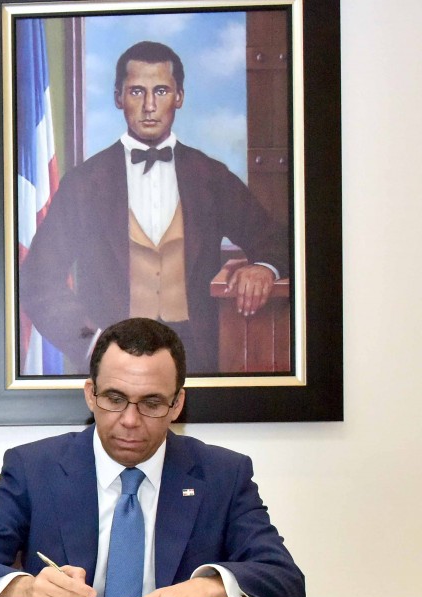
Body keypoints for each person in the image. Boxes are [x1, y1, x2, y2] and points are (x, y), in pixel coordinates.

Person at [0, 317, 304, 597]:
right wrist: (25, 592)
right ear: (91, 394)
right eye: (115, 399)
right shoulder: (35, 468)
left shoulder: (222, 474)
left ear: (177, 404)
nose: (130, 421)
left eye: (152, 403)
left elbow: (285, 577)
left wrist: (208, 588)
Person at [19, 41, 288, 375]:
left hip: (197, 352)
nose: (149, 105)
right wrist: (91, 342)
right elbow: (37, 280)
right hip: (114, 355)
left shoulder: (210, 175)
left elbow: (277, 239)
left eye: (160, 91)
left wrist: (263, 267)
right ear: (118, 98)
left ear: (179, 97)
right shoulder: (84, 183)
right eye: (136, 92)